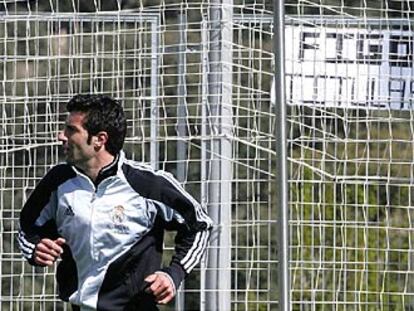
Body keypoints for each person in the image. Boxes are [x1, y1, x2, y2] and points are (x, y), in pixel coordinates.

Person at [18, 94, 213, 311]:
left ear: (99, 139)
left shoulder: (148, 184)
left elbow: (200, 225)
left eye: (71, 130)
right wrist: (35, 248)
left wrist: (173, 274)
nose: (61, 136)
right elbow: (27, 227)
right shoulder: (57, 181)